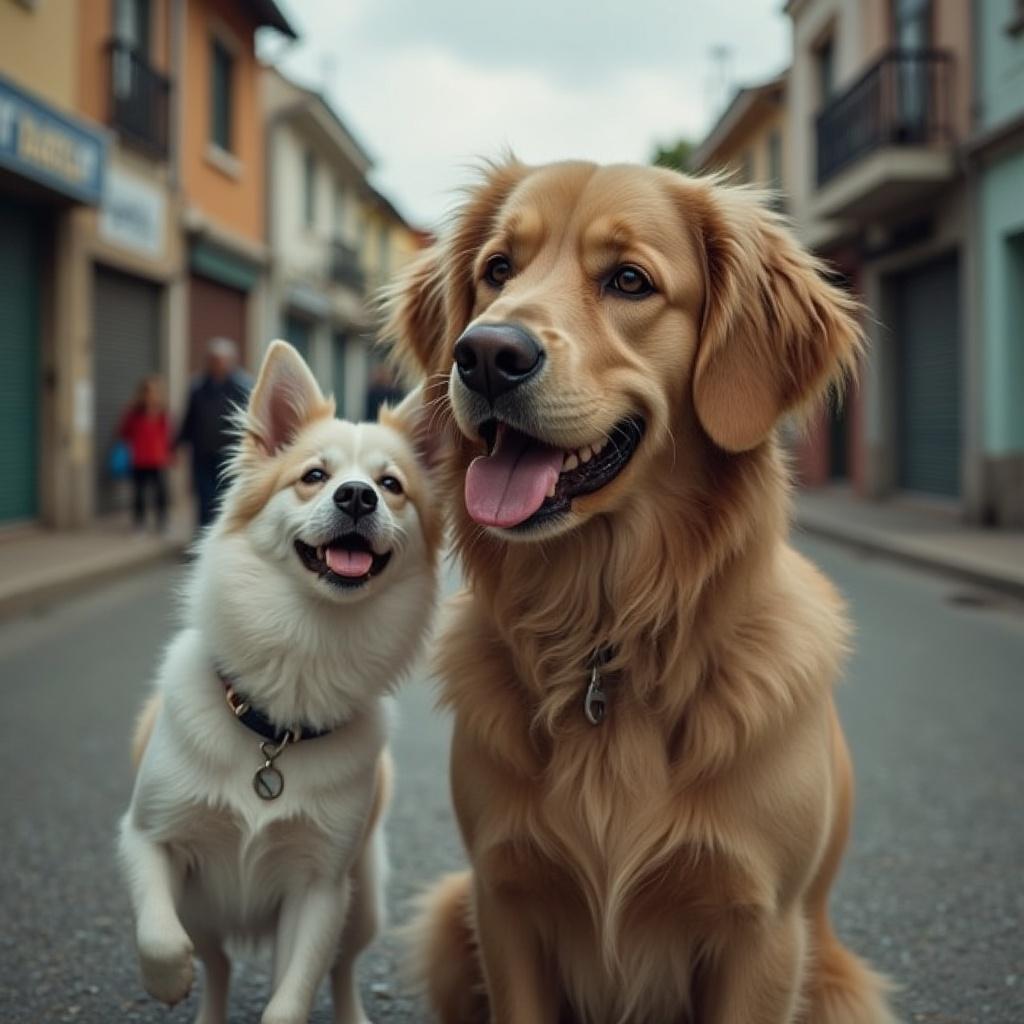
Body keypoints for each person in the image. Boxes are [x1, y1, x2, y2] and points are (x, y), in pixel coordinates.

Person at [176, 337, 251, 528]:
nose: (216, 364)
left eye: (221, 360)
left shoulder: (242, 386)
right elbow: (189, 418)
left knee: (225, 494)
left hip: (230, 452)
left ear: (230, 361)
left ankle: (223, 530)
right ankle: (203, 532)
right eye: (213, 359)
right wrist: (176, 444)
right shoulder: (198, 387)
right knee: (203, 495)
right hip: (202, 451)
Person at [119, 376, 172, 532]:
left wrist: (169, 454)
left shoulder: (162, 413)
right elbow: (124, 433)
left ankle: (162, 522)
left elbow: (167, 435)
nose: (150, 395)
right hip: (139, 459)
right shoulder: (134, 413)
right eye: (147, 391)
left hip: (157, 459)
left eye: (154, 391)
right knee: (139, 493)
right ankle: (139, 523)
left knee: (160, 493)